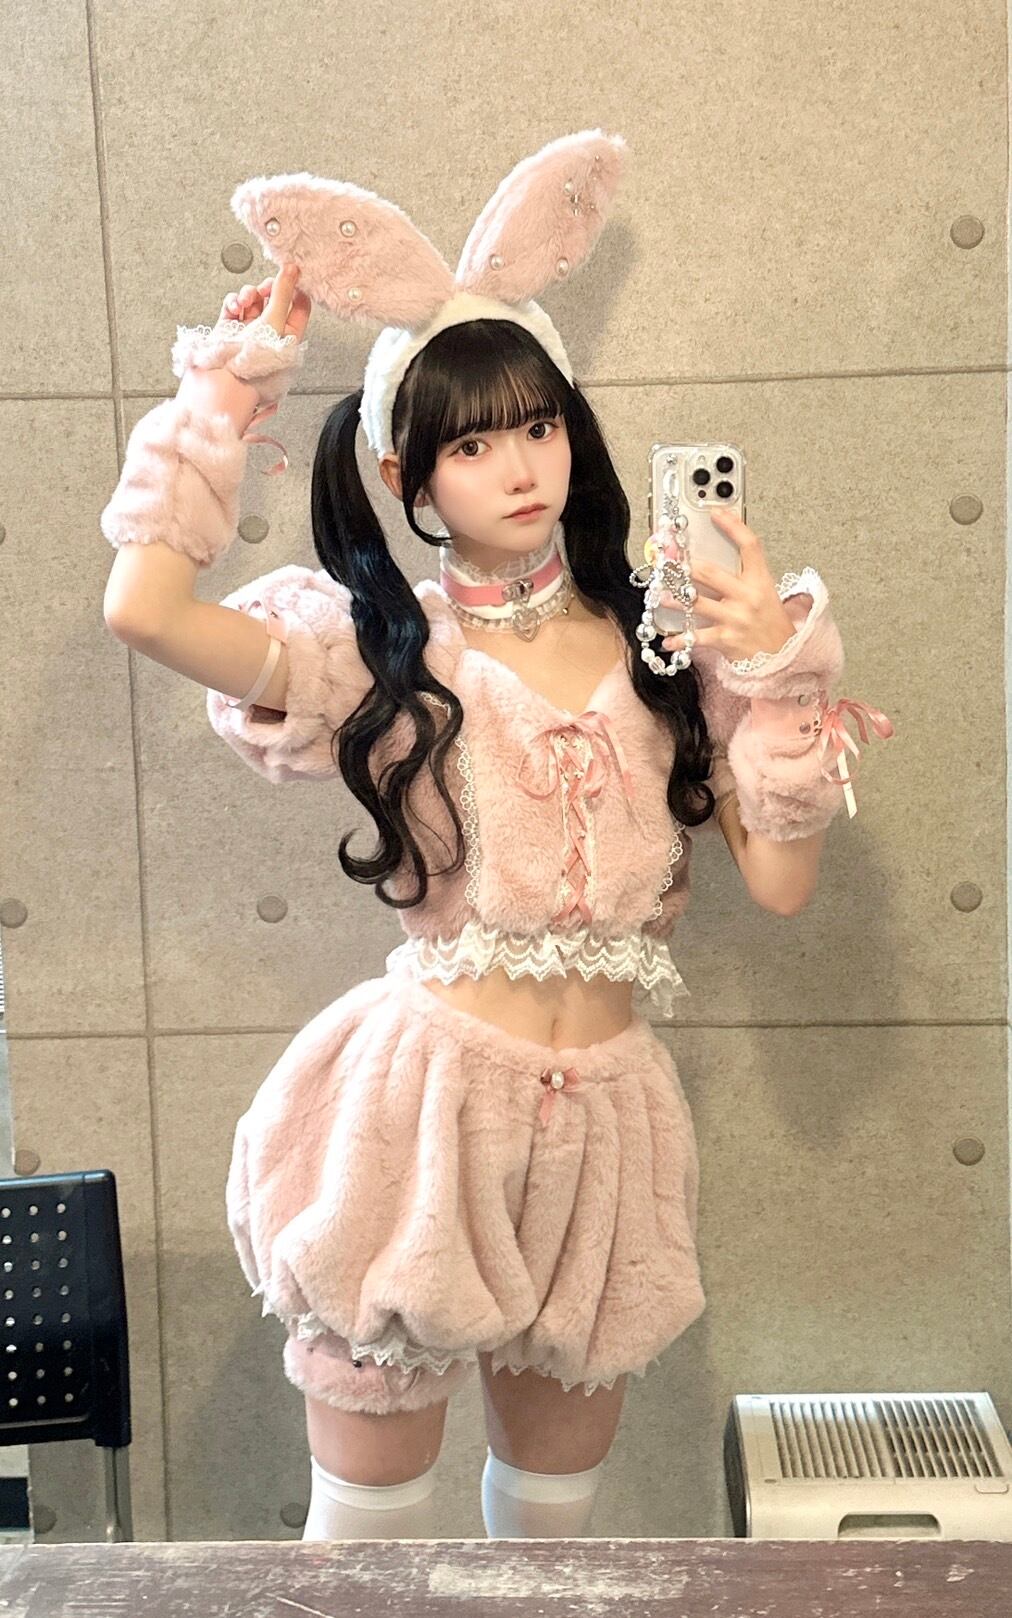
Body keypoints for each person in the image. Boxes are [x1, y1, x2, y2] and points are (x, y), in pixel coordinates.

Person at [100, 130, 893, 1542]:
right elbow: (146, 612)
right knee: (368, 1531)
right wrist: (223, 394)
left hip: (611, 1124)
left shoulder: (665, 645)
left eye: (538, 426)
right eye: (471, 443)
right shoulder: (379, 653)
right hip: (422, 1115)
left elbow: (779, 882)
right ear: (406, 469)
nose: (518, 466)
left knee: (551, 1532)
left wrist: (774, 668)